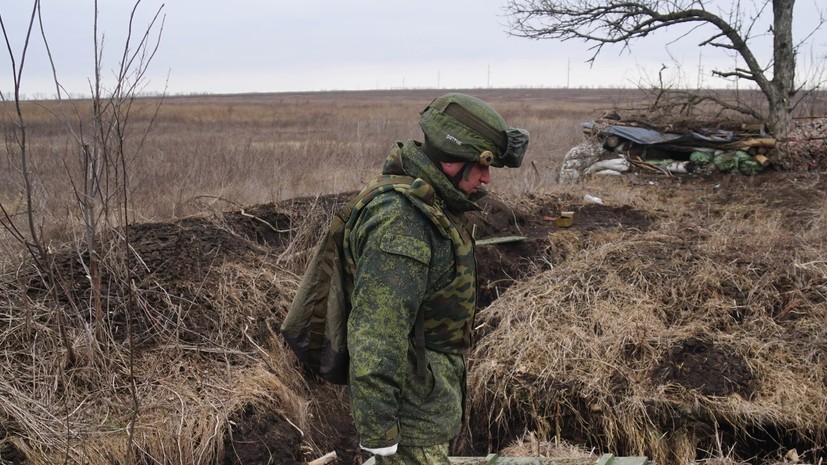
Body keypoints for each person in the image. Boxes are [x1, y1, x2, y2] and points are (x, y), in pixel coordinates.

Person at [345, 92, 529, 464]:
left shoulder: (430, 204)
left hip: (426, 408)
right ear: (451, 160)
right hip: (411, 423)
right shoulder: (401, 222)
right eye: (480, 166)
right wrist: (380, 432)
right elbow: (377, 331)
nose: (486, 178)